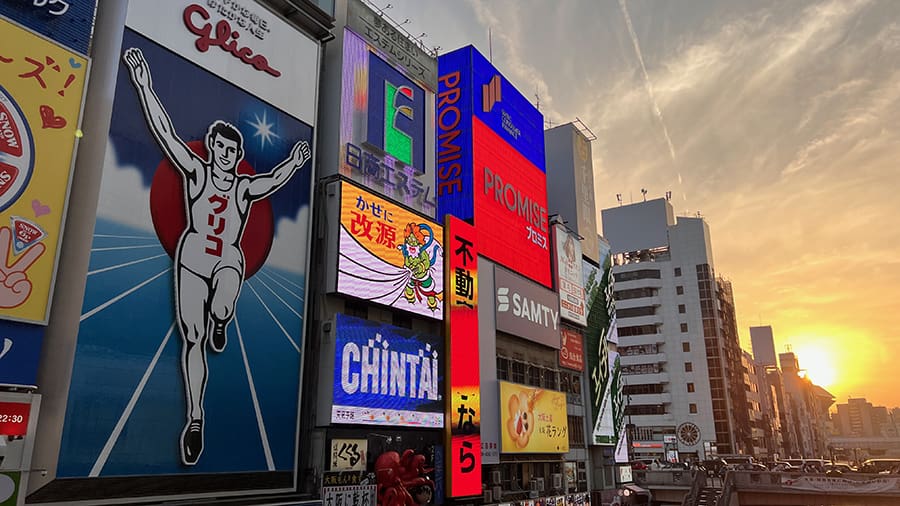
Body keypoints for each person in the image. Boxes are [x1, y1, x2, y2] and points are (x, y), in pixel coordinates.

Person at [123, 47, 311, 465]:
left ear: (237, 155)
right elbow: (165, 132)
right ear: (211, 147)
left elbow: (272, 180)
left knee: (223, 300)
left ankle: (222, 319)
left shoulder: (243, 187)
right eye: (220, 148)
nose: (226, 155)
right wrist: (144, 85)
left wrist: (296, 164)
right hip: (192, 257)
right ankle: (195, 418)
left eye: (232, 150)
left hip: (227, 257)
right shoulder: (196, 171)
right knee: (192, 338)